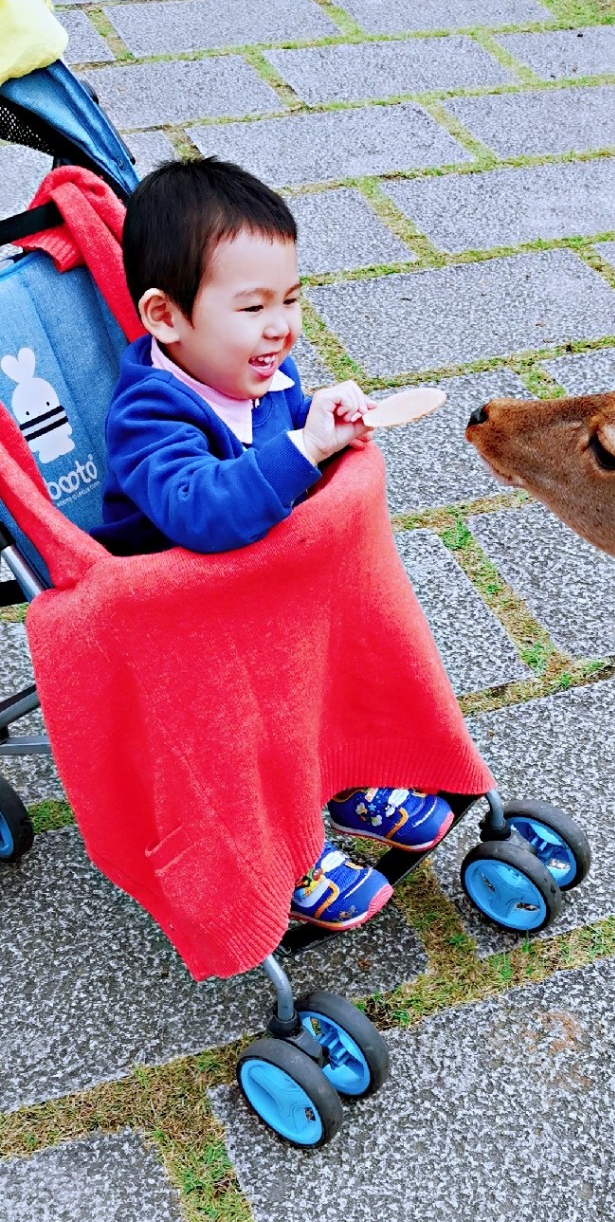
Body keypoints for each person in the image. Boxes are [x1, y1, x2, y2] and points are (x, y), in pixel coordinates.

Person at [95, 156, 455, 932]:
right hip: (175, 609)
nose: (281, 326)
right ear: (165, 318)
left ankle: (343, 775)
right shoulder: (147, 416)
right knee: (244, 721)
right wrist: (303, 453)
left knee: (334, 656)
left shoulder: (265, 371)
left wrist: (326, 423)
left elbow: (288, 442)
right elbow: (199, 511)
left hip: (259, 586)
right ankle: (284, 848)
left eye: (290, 298)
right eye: (253, 306)